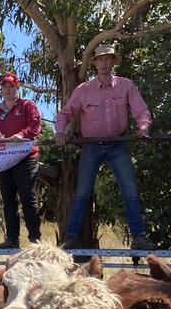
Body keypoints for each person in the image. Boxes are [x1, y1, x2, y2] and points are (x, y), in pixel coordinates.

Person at [55, 44, 155, 250]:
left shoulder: (125, 85)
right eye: (100, 59)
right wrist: (59, 132)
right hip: (91, 146)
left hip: (117, 144)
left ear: (113, 62)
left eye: (108, 59)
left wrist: (143, 127)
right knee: (82, 192)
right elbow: (65, 113)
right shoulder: (84, 90)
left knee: (130, 191)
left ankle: (139, 238)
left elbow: (141, 110)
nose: (104, 63)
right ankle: (70, 239)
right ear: (95, 63)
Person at [0, 72, 42, 249]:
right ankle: (12, 239)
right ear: (1, 89)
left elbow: (35, 126)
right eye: (5, 87)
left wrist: (20, 135)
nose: (8, 90)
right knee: (8, 199)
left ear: (18, 88)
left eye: (12, 86)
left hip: (26, 156)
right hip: (4, 159)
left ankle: (35, 239)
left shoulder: (27, 105)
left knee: (27, 197)